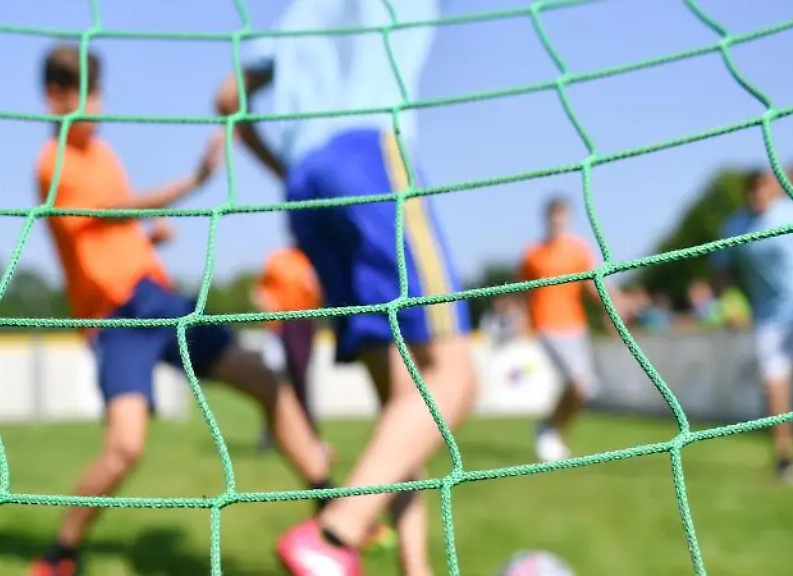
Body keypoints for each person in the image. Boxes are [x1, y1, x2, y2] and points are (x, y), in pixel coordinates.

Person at [28, 45, 330, 576]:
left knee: (265, 380)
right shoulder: (51, 163)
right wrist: (189, 185)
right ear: (55, 97)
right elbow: (106, 213)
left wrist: (149, 241)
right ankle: (61, 553)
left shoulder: (103, 155)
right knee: (125, 449)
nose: (96, 106)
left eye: (98, 92)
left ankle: (333, 517)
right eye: (85, 93)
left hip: (158, 301)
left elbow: (105, 234)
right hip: (117, 322)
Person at [214, 0, 478, 573]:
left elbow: (226, 101)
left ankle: (415, 567)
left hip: (308, 184)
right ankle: (334, 537)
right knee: (452, 376)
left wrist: (283, 164)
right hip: (369, 154)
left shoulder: (296, 14)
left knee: (405, 408)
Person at [711, 169, 793, 488]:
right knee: (774, 385)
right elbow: (720, 269)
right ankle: (785, 460)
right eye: (752, 190)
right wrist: (729, 302)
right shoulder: (736, 225)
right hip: (768, 316)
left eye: (764, 189)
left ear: (774, 189)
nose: (758, 195)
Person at [518, 196, 620, 463]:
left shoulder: (578, 250)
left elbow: (592, 286)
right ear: (547, 219)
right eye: (554, 216)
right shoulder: (532, 253)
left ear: (568, 219)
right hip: (546, 325)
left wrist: (612, 311)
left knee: (583, 388)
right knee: (577, 384)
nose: (558, 221)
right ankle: (550, 431)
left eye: (563, 216)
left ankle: (551, 429)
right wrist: (518, 321)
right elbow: (520, 292)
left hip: (576, 324)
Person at [250, 246, 323, 454]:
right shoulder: (278, 259)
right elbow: (259, 291)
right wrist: (270, 310)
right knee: (277, 380)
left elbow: (316, 292)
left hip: (304, 324)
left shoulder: (311, 260)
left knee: (300, 379)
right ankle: (271, 435)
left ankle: (308, 435)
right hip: (280, 325)